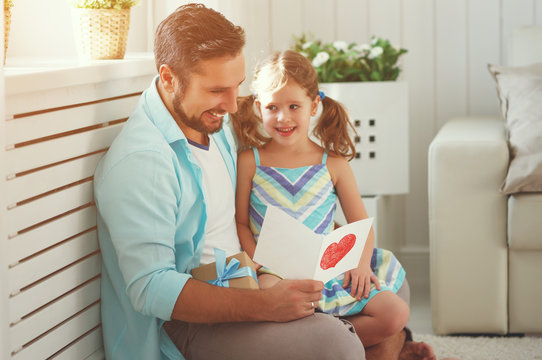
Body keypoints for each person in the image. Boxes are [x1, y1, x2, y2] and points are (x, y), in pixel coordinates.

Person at [93, 3, 438, 360]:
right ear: (168, 78)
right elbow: (151, 289)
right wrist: (263, 304)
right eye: (216, 90)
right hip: (195, 321)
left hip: (252, 276)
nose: (231, 105)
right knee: (335, 341)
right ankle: (385, 349)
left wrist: (330, 247)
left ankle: (385, 347)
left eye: (237, 86)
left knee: (391, 284)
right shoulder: (141, 163)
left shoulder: (214, 123)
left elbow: (292, 188)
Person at [231, 50, 437, 360]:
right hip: (275, 270)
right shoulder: (250, 162)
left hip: (329, 266)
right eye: (272, 107)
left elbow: (359, 225)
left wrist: (360, 262)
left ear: (314, 106)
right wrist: (257, 262)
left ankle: (334, 338)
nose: (283, 117)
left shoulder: (333, 164)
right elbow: (241, 222)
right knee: (268, 296)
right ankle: (335, 343)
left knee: (395, 313)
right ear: (259, 108)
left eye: (294, 106)